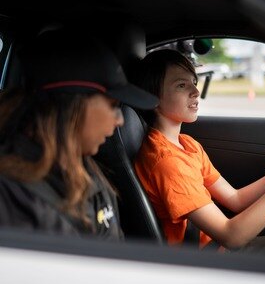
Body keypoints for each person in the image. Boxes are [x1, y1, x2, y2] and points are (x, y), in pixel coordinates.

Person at [134, 49, 265, 253]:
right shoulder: (167, 162)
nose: (195, 92)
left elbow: (236, 199)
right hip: (209, 256)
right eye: (181, 85)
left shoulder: (187, 144)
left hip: (216, 242)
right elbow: (231, 237)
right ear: (152, 99)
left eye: (194, 82)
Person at [0, 28, 158, 239]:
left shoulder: (82, 167)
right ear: (72, 107)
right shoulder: (13, 197)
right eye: (113, 105)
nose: (120, 120)